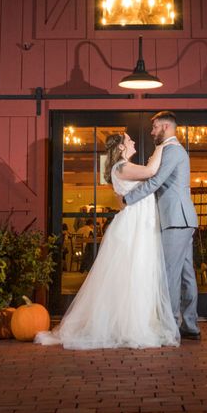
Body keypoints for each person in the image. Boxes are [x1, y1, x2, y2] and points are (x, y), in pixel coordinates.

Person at [35, 132, 180, 349]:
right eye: (129, 140)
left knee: (139, 274)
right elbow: (151, 171)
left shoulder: (125, 167)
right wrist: (163, 145)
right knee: (133, 273)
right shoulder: (121, 167)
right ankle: (131, 326)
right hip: (133, 227)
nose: (133, 141)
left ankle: (137, 321)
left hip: (141, 225)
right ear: (121, 147)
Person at [122, 111, 201, 340]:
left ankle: (171, 327)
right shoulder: (172, 149)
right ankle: (190, 326)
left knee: (170, 275)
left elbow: (156, 181)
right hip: (183, 219)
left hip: (176, 219)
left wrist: (128, 199)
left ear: (166, 127)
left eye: (155, 127)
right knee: (186, 275)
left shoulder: (172, 150)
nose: (152, 131)